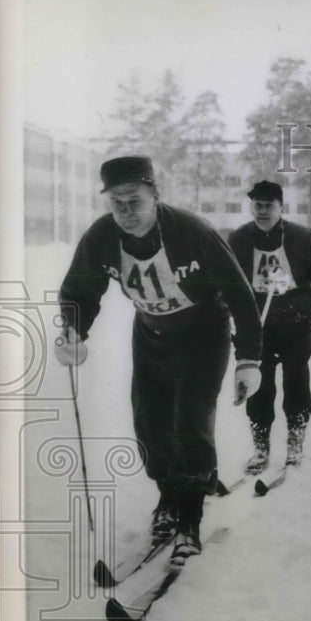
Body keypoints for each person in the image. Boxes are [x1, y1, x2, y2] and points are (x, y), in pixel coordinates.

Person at [56, 155, 262, 569]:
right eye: (117, 203)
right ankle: (168, 497)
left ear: (155, 194)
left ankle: (190, 517)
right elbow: (80, 290)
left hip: (204, 334)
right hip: (151, 335)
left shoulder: (192, 232)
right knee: (149, 423)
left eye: (135, 200)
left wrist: (249, 360)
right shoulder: (102, 236)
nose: (126, 213)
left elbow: (240, 295)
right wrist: (74, 330)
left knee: (190, 422)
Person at [228, 180, 311, 476]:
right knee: (259, 384)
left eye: (269, 206)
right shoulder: (238, 239)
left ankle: (295, 440)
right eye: (257, 205)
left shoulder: (301, 238)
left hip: (296, 319)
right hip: (257, 323)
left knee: (296, 379)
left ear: (281, 208)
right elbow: (224, 280)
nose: (263, 211)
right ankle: (261, 446)